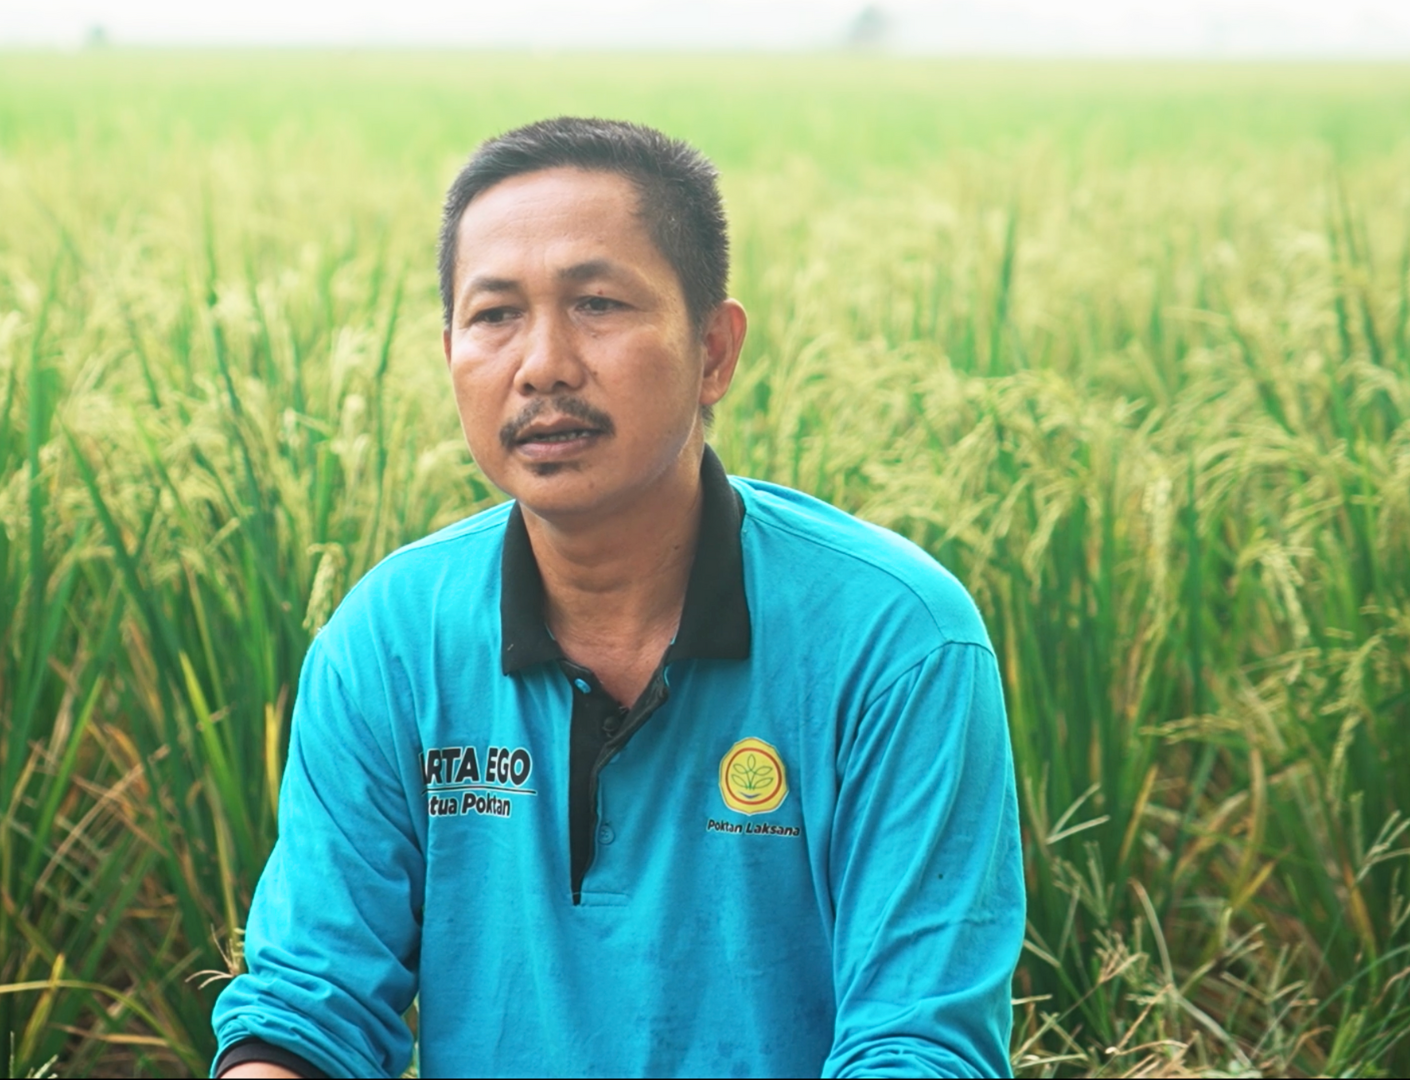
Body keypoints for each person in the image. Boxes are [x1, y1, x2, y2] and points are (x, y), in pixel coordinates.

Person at [211, 116, 1024, 1078]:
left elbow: (918, 1040)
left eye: (597, 304)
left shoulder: (897, 642)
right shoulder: (390, 638)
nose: (542, 364)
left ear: (714, 350)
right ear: (451, 356)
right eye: (494, 315)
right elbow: (312, 1003)